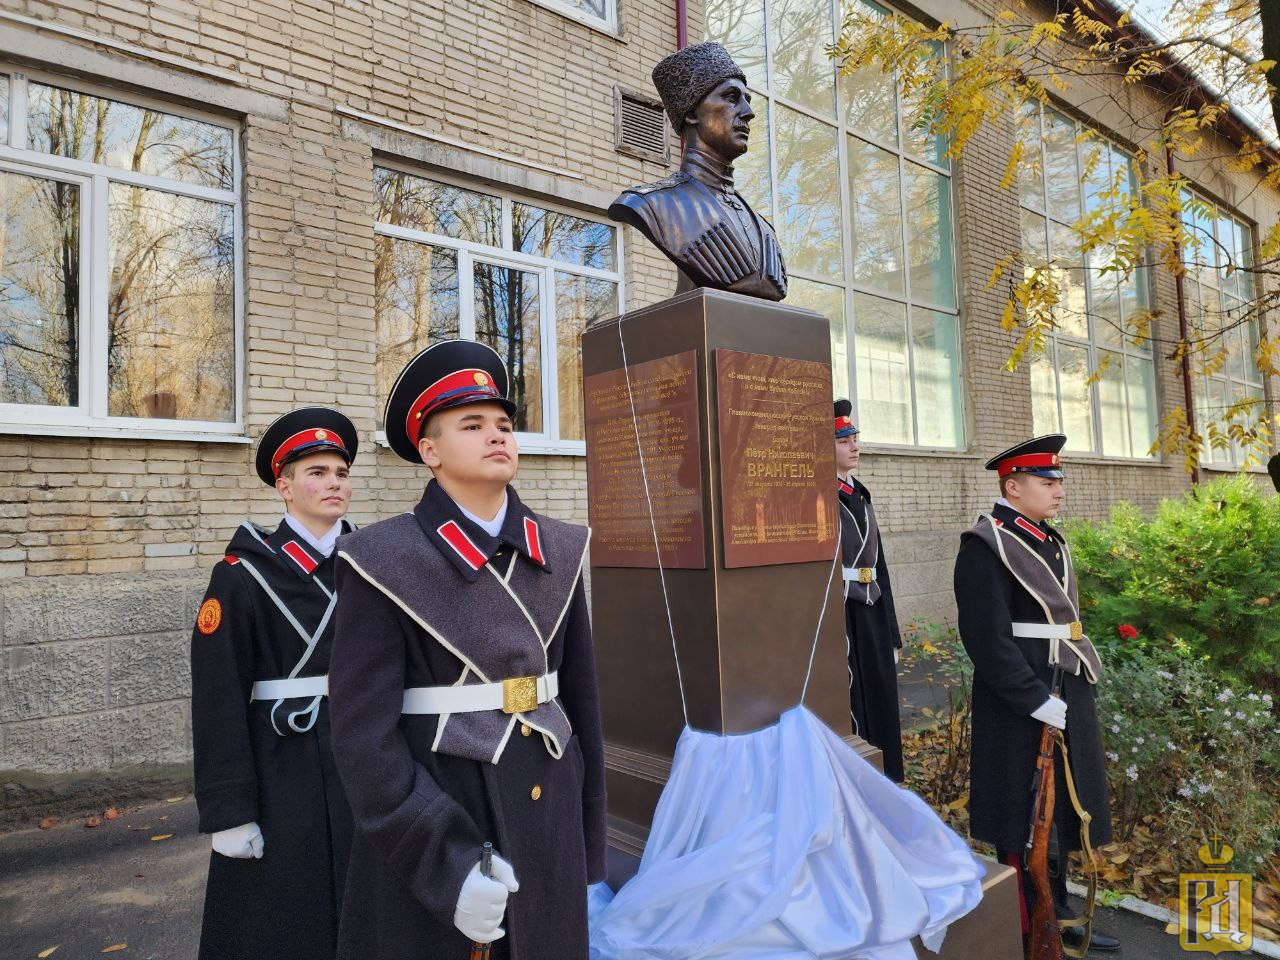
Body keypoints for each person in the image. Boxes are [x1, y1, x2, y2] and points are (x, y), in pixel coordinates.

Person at [328, 340, 606, 960]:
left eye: (504, 424)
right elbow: (362, 738)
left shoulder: (559, 549)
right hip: (446, 809)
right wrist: (444, 863)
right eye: (472, 425)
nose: (497, 435)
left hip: (549, 808)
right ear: (429, 451)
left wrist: (588, 833)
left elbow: (579, 700)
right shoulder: (382, 560)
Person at [190, 407, 359, 960]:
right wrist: (229, 811)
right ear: (283, 487)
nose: (333, 481)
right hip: (280, 770)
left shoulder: (373, 565)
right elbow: (218, 698)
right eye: (317, 471)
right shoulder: (242, 574)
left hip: (363, 759)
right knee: (281, 922)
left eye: (340, 471)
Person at [953, 435, 1119, 953]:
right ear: (1013, 486)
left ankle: (1061, 909)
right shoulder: (986, 545)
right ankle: (1027, 917)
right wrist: (1031, 698)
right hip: (1021, 694)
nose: (1059, 492)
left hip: (1065, 678)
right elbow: (986, 638)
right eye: (1048, 483)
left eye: (1058, 482)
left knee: (1063, 805)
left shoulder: (1048, 538)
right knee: (1022, 809)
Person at [609, 42, 787, 300]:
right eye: (731, 98)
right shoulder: (652, 204)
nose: (749, 113)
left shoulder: (764, 229)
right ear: (692, 112)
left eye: (747, 100)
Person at [834, 399, 904, 782]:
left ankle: (887, 776)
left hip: (872, 608)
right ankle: (859, 778)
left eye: (854, 438)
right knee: (850, 695)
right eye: (844, 440)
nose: (854, 446)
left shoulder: (861, 492)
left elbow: (881, 566)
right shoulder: (818, 494)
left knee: (879, 694)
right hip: (840, 610)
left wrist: (891, 632)